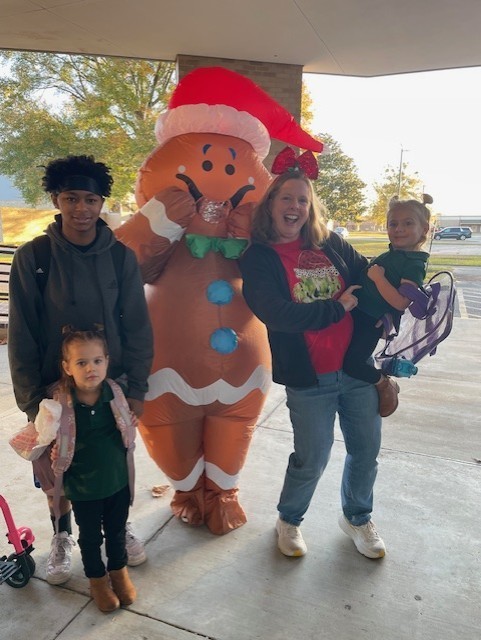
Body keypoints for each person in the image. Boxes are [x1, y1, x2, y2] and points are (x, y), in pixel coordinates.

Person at [8, 155, 153, 585]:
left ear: (101, 202)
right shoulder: (34, 257)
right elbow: (22, 335)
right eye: (71, 198)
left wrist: (138, 388)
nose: (82, 208)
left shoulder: (121, 259)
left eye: (91, 199)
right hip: (54, 392)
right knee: (57, 469)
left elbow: (139, 326)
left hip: (112, 389)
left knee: (113, 462)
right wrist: (33, 401)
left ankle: (117, 527)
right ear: (56, 199)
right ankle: (61, 536)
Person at [239, 162, 386, 559]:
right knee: (312, 457)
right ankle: (289, 520)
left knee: (366, 450)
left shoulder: (332, 244)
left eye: (303, 199)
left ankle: (357, 517)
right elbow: (278, 313)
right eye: (286, 197)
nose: (295, 206)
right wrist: (336, 309)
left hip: (356, 371)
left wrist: (402, 285)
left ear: (311, 208)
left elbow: (370, 276)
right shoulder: (258, 258)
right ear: (271, 205)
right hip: (309, 379)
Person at [48, 327, 137, 612]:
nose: (91, 369)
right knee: (89, 537)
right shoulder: (61, 402)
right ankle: (97, 580)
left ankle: (119, 573)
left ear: (107, 361)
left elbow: (127, 430)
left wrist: (130, 424)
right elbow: (44, 434)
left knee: (116, 531)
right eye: (81, 362)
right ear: (67, 367)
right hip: (83, 487)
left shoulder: (115, 393)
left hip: (118, 482)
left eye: (97, 361)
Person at [343, 195, 431, 417]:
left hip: (369, 319)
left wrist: (378, 277)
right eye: (393, 223)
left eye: (408, 223)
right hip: (358, 312)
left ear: (424, 229)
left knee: (351, 363)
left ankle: (383, 383)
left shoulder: (414, 263)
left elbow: (401, 302)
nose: (399, 229)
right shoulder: (398, 254)